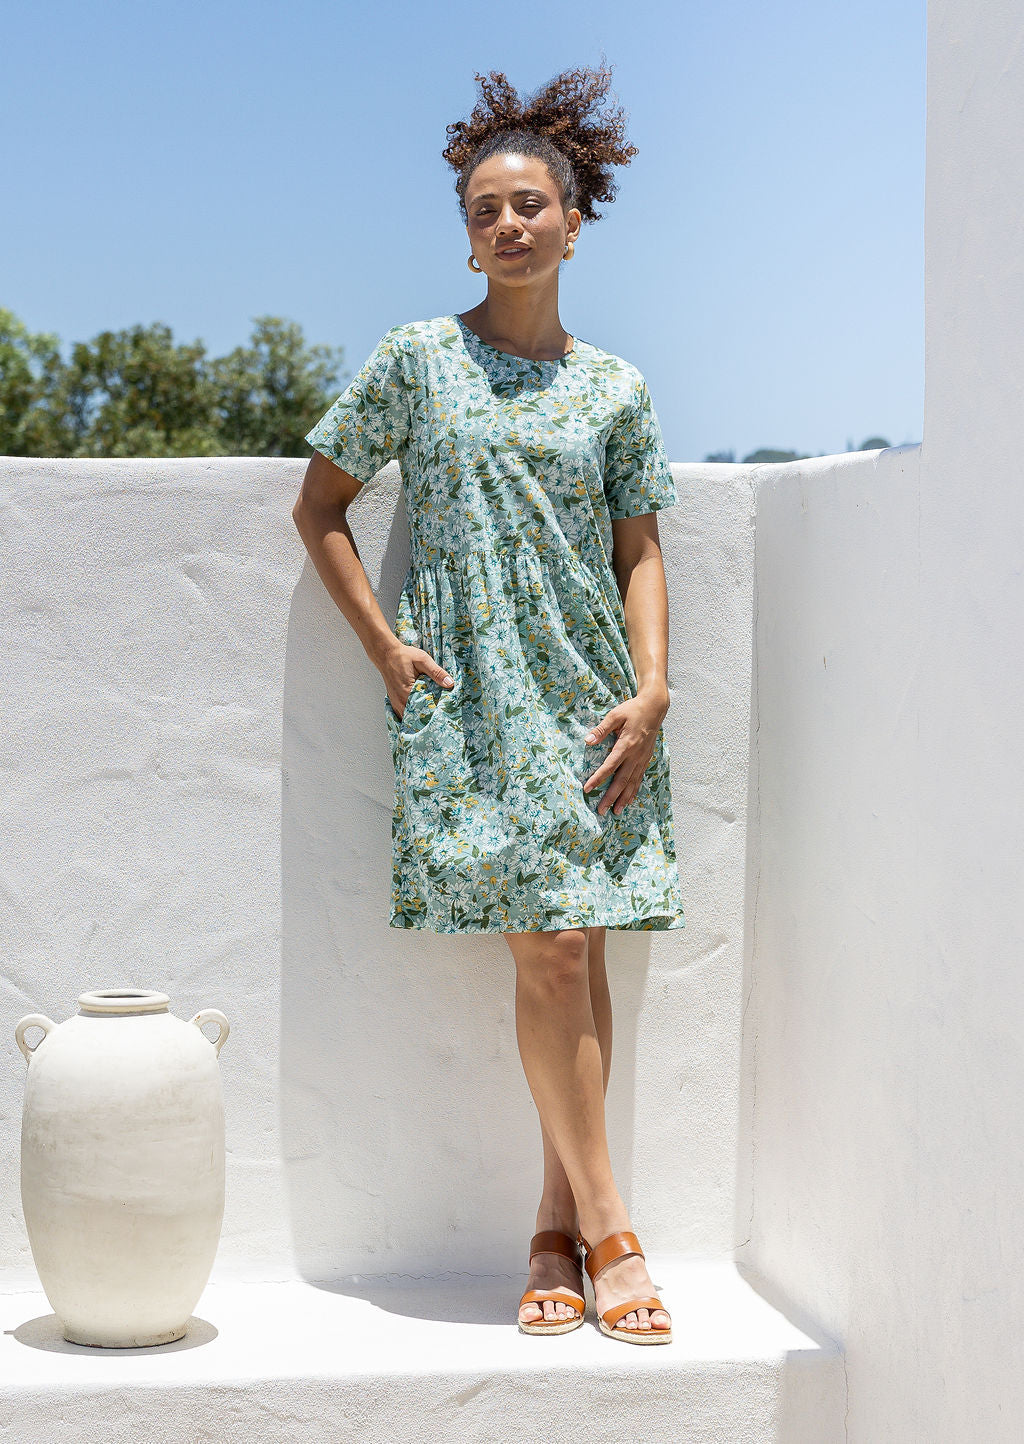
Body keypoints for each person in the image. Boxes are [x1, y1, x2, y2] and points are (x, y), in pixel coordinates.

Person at [293, 64, 683, 1345]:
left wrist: (653, 688)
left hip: (590, 693)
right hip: (471, 693)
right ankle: (614, 1230)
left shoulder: (618, 388)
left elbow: (638, 548)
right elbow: (321, 507)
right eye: (481, 210)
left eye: (528, 203)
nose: (505, 224)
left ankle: (552, 1225)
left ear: (575, 220)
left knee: (587, 949)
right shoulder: (415, 358)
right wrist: (383, 648)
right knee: (553, 948)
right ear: (466, 232)